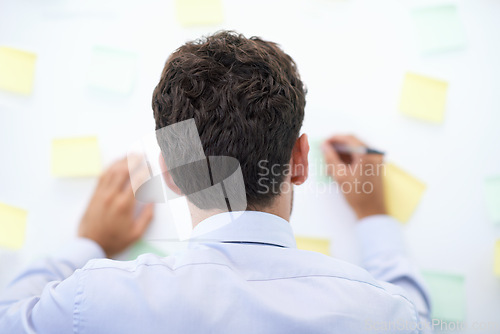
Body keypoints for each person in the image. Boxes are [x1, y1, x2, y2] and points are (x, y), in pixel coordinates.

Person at [0, 31, 431, 333]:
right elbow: (418, 320)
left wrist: (88, 242)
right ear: (300, 160)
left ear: (169, 170)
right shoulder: (386, 314)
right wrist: (375, 218)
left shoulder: (93, 299)